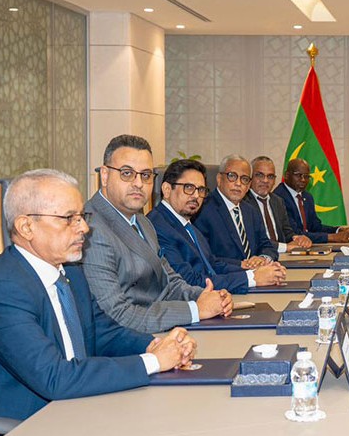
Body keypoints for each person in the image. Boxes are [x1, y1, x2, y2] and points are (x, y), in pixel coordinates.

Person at [0, 169, 197, 436]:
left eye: (82, 216)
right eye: (69, 218)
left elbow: (104, 333)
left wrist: (156, 345)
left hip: (72, 420)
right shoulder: (2, 291)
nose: (84, 228)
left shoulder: (71, 274)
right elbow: (55, 378)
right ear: (26, 226)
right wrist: (154, 362)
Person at [82, 135, 232, 333]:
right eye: (127, 173)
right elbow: (116, 314)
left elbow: (169, 282)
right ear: (105, 175)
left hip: (161, 328)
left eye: (145, 175)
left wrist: (207, 296)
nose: (138, 183)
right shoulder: (90, 228)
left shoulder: (143, 222)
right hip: (130, 341)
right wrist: (195, 310)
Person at [149, 159, 286, 294]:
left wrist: (256, 271)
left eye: (201, 190)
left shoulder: (186, 224)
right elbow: (188, 281)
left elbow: (212, 264)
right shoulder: (157, 227)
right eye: (189, 188)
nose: (196, 196)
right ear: (167, 189)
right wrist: (252, 278)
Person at [194, 154, 281, 268]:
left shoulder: (251, 211)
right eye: (232, 176)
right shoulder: (202, 210)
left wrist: (262, 258)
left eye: (244, 179)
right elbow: (205, 258)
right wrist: (242, 265)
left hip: (257, 274)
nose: (238, 183)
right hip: (226, 277)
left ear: (249, 185)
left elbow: (266, 245)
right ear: (219, 179)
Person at [275, 158, 349, 243]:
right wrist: (332, 237)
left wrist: (339, 230)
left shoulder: (307, 197)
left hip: (307, 246)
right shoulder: (278, 198)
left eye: (306, 176)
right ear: (287, 175)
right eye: (298, 175)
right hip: (289, 247)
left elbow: (315, 227)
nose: (303, 180)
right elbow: (295, 234)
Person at [248, 155, 313, 252]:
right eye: (260, 175)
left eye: (270, 176)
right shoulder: (243, 203)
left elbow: (287, 232)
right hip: (259, 257)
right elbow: (253, 240)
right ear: (250, 177)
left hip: (283, 256)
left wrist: (298, 238)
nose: (265, 180)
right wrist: (285, 247)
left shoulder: (278, 201)